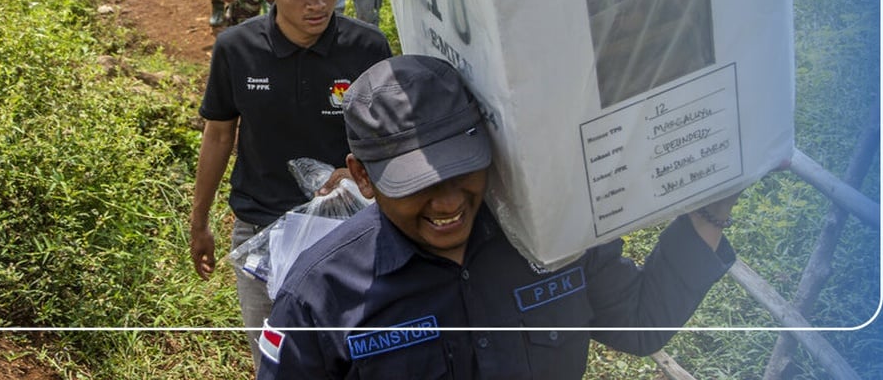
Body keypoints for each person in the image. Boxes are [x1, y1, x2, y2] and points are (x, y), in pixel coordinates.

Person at [257, 54, 739, 379]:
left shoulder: (553, 235)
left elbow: (641, 321)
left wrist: (712, 212)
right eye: (416, 186)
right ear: (363, 177)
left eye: (462, 171)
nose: (448, 204)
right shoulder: (316, 303)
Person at [189, 0, 392, 370]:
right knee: (275, 362)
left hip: (350, 233)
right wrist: (199, 218)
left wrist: (359, 173)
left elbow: (390, 139)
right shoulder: (237, 50)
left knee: (352, 359)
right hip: (261, 230)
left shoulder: (368, 49)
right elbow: (220, 132)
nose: (319, 4)